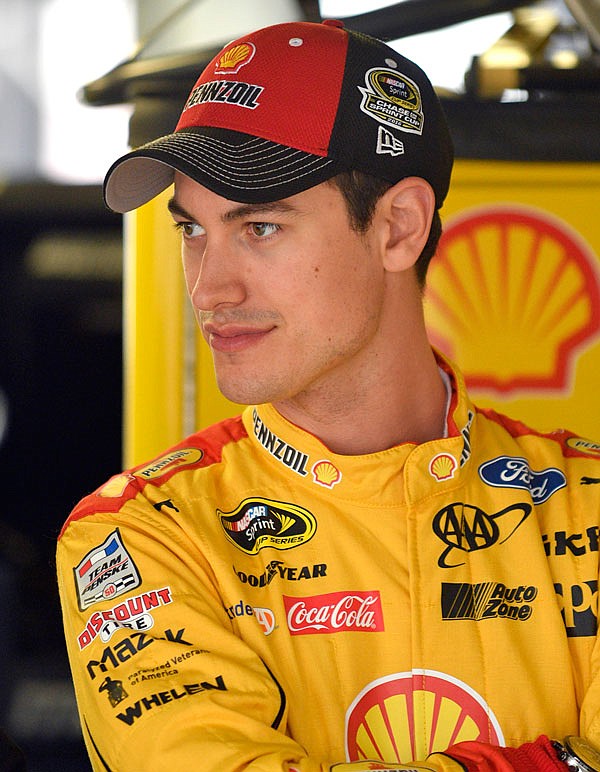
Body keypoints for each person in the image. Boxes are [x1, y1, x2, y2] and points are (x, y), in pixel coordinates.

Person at [56, 19, 600, 772]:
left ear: (399, 228)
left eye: (262, 228)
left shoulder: (588, 506)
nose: (210, 288)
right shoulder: (138, 539)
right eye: (192, 231)